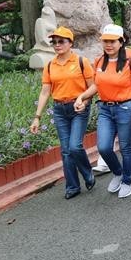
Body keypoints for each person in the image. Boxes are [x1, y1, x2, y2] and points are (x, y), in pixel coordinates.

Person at [74, 24, 131, 198]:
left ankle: (127, 181)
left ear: (121, 41)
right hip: (106, 109)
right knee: (104, 147)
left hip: (126, 108)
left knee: (125, 148)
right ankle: (118, 172)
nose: (108, 45)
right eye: (105, 41)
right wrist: (82, 97)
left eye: (112, 41)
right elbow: (96, 86)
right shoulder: (100, 60)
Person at [31, 27, 95, 199]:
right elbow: (45, 92)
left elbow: (93, 87)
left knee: (75, 146)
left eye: (61, 41)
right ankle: (72, 186)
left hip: (78, 108)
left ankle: (87, 173)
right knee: (66, 150)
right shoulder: (50, 65)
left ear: (70, 43)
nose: (57, 45)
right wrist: (37, 117)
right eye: (54, 42)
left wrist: (85, 101)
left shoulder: (81, 61)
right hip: (59, 110)